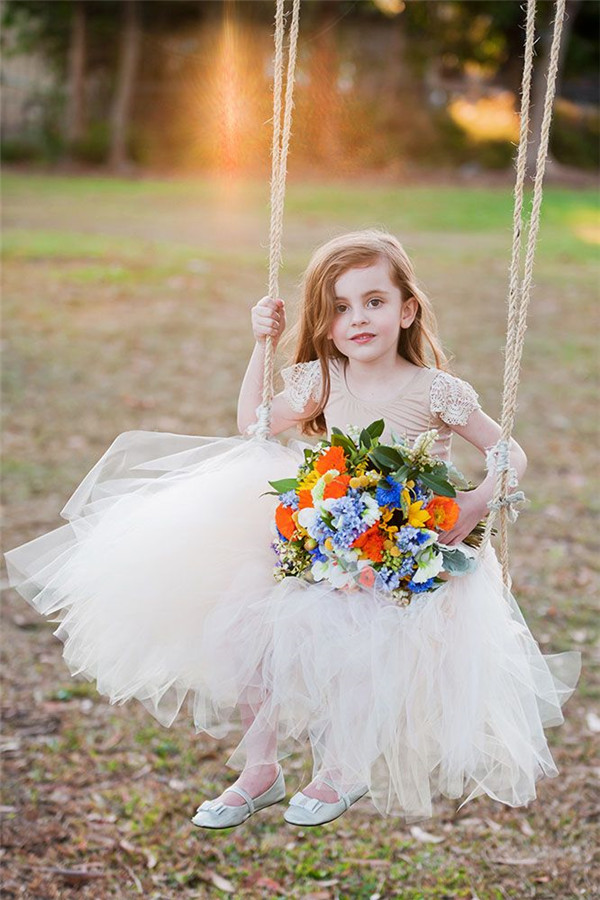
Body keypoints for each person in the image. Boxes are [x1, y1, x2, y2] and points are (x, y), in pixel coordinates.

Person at [4, 230, 581, 830]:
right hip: (326, 532)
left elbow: (507, 452)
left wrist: (475, 506)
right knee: (242, 624)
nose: (357, 318)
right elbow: (253, 423)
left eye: (374, 301)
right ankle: (260, 769)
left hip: (404, 548)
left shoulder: (437, 390)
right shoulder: (323, 379)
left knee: (351, 642)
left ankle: (340, 769)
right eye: (340, 307)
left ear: (407, 309)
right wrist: (263, 344)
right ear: (326, 323)